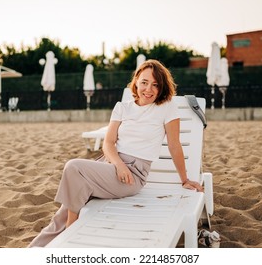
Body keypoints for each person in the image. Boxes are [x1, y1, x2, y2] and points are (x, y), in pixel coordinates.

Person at [28, 59, 203, 247]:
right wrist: (118, 165)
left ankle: (72, 227)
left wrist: (184, 179)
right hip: (109, 165)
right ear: (136, 81)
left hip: (133, 174)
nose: (149, 89)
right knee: (59, 216)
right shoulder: (122, 107)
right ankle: (33, 251)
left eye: (155, 85)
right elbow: (109, 144)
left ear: (161, 87)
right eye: (144, 82)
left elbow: (174, 145)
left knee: (73, 168)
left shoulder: (167, 107)